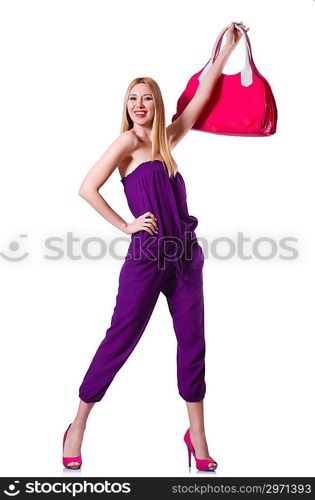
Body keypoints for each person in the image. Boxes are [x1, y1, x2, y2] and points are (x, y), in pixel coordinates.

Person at [62, 21, 249, 471]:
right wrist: (126, 225)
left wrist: (227, 49)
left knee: (192, 346)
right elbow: (87, 188)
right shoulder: (127, 142)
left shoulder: (166, 141)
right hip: (146, 259)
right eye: (133, 98)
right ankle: (78, 425)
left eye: (147, 98)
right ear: (125, 106)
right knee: (120, 340)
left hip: (185, 257)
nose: (140, 105)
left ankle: (197, 438)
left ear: (156, 103)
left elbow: (202, 98)